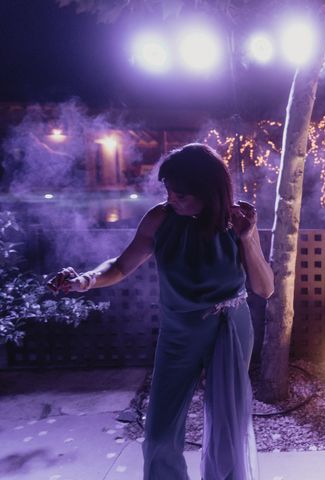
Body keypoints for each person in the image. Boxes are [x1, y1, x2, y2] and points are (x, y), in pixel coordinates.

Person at [48, 143, 274, 480]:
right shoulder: (159, 219)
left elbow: (265, 288)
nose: (173, 200)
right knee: (158, 436)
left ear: (209, 191)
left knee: (228, 431)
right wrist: (85, 281)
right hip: (179, 331)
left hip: (229, 326)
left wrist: (248, 238)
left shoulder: (237, 220)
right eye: (169, 192)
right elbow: (122, 265)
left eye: (182, 195)